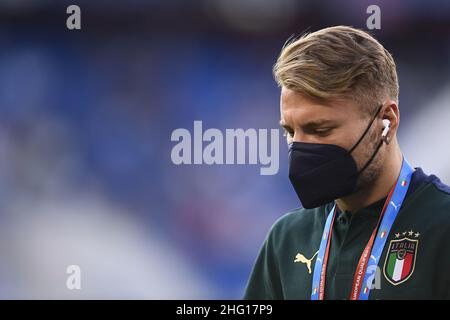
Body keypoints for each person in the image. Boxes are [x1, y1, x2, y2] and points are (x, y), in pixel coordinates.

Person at [244, 26, 450, 300]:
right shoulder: (287, 239)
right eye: (291, 132)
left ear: (386, 121)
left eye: (320, 129)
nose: (301, 147)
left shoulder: (442, 228)